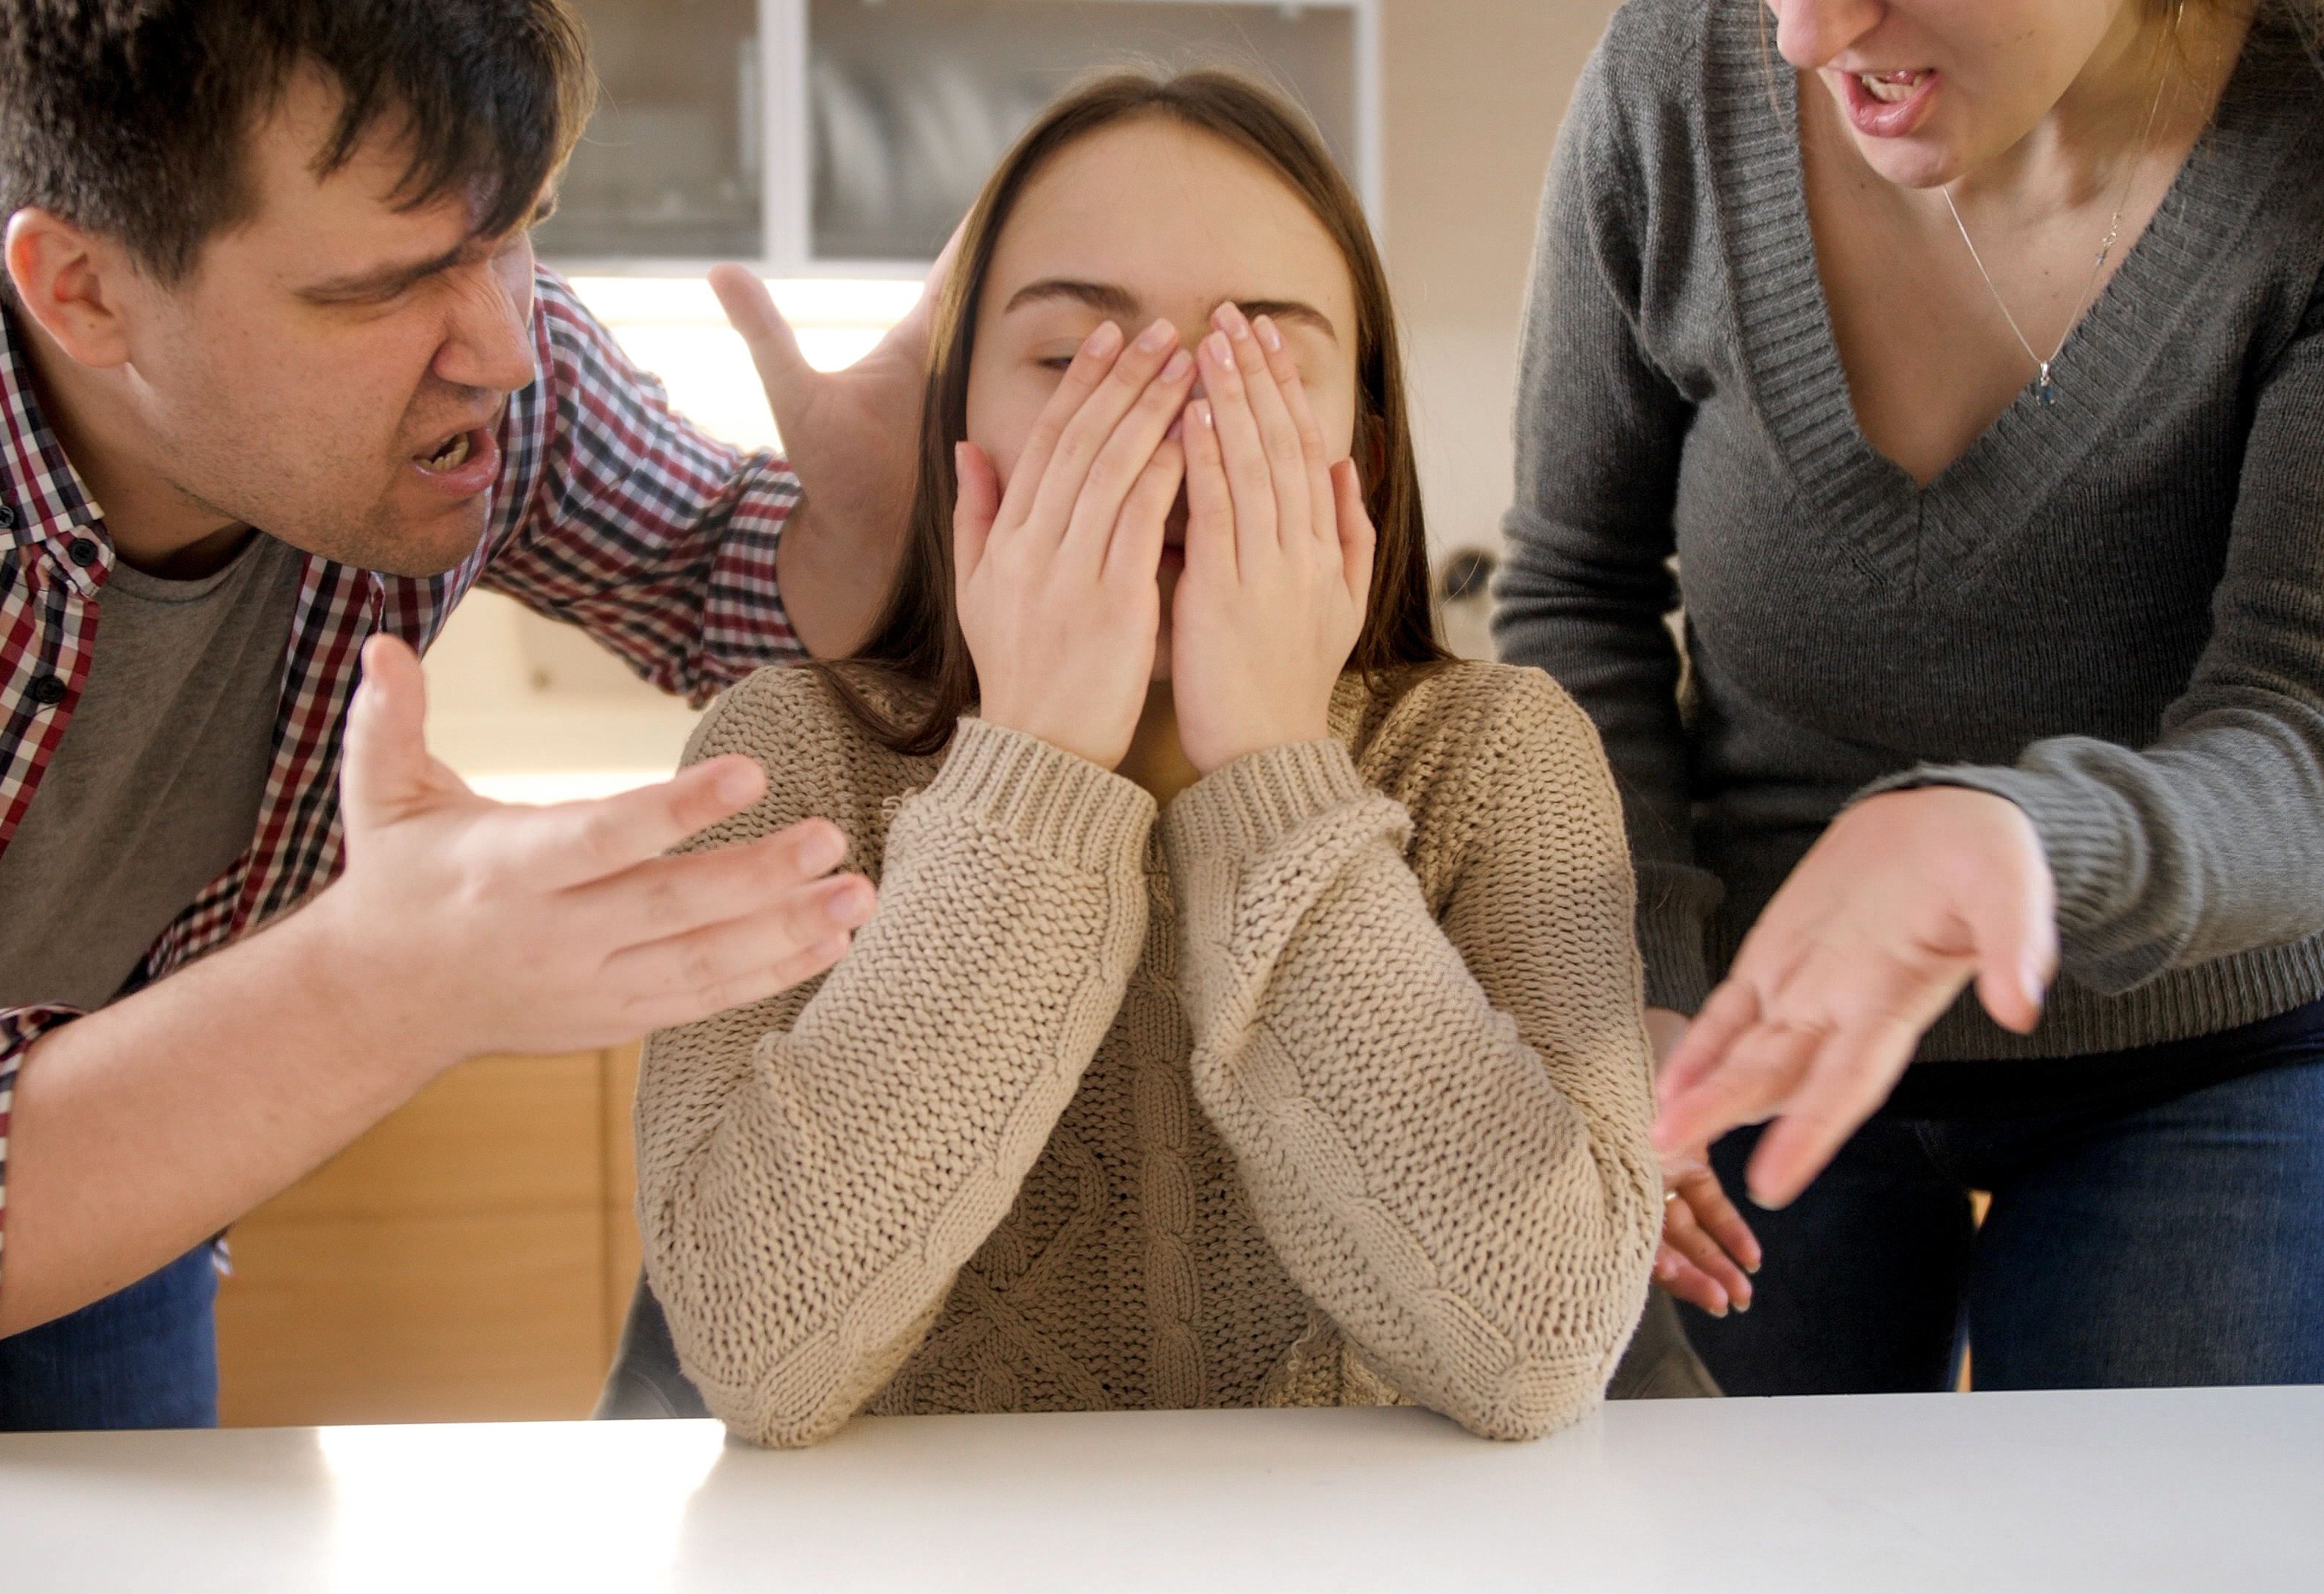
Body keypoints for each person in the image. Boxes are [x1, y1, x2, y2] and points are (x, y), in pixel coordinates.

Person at [0, 3, 925, 1584]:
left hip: (89, 1067)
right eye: (387, 288)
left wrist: (847, 555)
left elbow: (701, 562)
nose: (508, 348)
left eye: (516, 235)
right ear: (82, 288)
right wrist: (377, 985)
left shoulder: (474, 372)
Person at [606, 69, 1693, 1452]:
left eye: (1260, 363)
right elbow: (757, 1356)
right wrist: (1036, 768)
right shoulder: (786, 763)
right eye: (1075, 364)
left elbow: (1539, 1349)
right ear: (956, 443)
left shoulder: (1500, 758)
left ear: (1360, 450)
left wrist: (1275, 770)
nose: (1173, 431)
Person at [1496, 0, 2324, 1394]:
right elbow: (1575, 591)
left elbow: (2317, 740)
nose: (1806, 36)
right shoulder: (1676, 75)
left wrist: (2014, 840)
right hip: (1756, 1036)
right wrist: (1642, 977)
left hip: (2202, 1053)